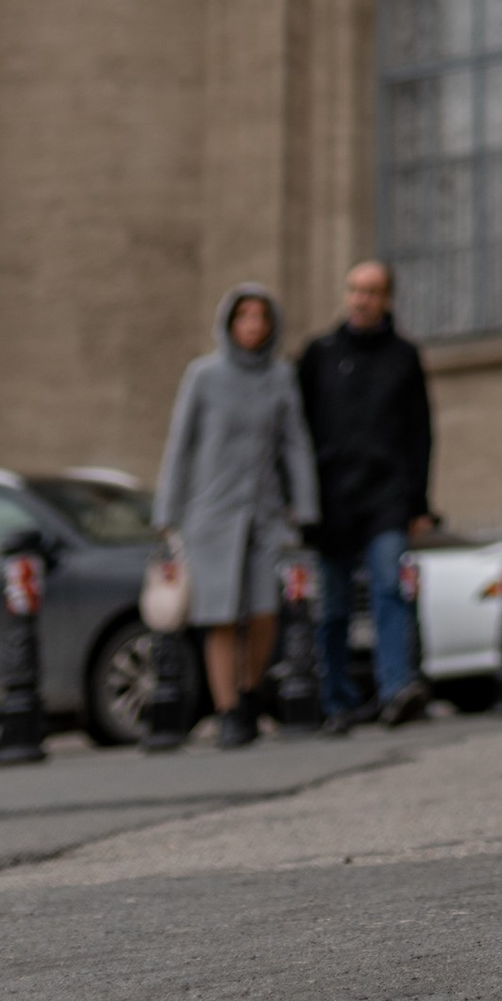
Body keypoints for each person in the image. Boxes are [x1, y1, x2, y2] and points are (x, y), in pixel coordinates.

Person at [154, 284, 320, 748]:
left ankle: (250, 692)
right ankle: (228, 711)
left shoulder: (281, 376)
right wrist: (167, 511)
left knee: (265, 611)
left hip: (264, 513)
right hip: (210, 514)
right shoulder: (203, 376)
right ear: (229, 324)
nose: (253, 325)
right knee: (221, 615)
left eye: (261, 317)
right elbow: (180, 443)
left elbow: (294, 443)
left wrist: (304, 506)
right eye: (244, 316)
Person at [298, 258, 436, 733]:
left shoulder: (403, 357)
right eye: (356, 289)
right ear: (347, 294)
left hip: (386, 498)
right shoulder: (319, 355)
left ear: (387, 299)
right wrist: (301, 500)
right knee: (334, 607)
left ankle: (397, 689)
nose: (362, 298)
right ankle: (338, 701)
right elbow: (298, 434)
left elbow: (421, 433)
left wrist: (418, 503)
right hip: (331, 500)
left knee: (388, 589)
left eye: (372, 291)